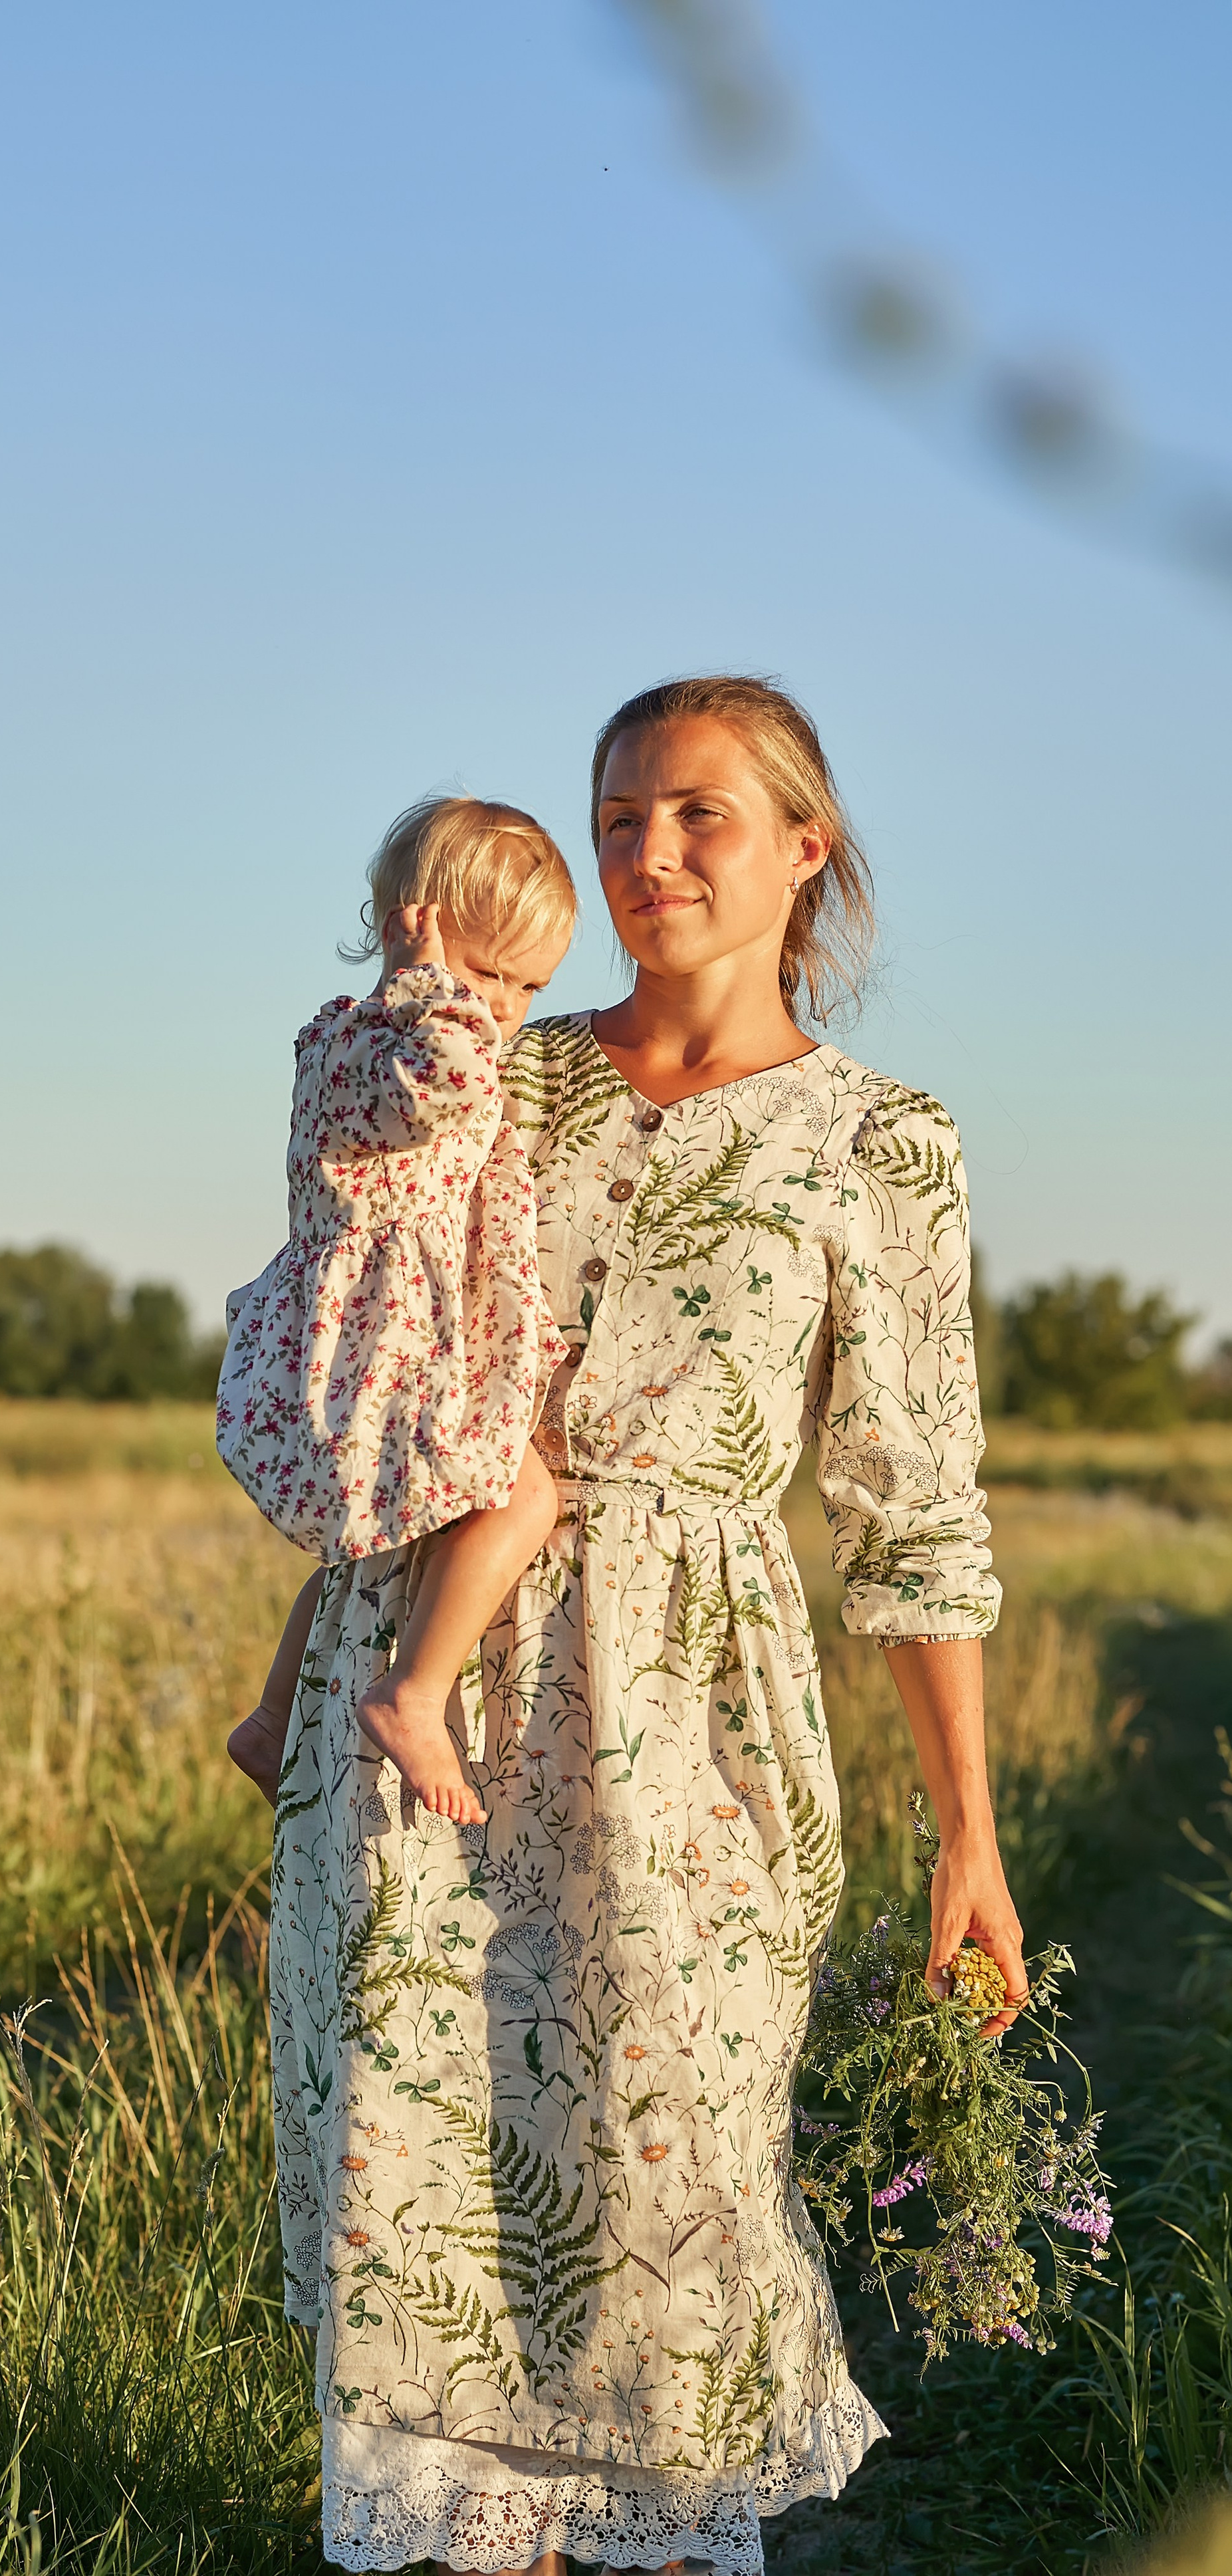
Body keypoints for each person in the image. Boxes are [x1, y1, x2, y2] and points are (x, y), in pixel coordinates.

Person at [270, 675, 1027, 2576]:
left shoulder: (886, 1143)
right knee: (423, 2183)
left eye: (698, 814)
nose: (649, 855)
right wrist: (299, 1673)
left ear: (804, 844)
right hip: (428, 1676)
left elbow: (916, 1514)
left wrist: (971, 1838)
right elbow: (391, 1357)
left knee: (670, 2209)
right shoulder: (495, 1070)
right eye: (617, 819)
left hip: (693, 1716)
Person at [218, 794, 577, 1823]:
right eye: (487, 973)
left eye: (528, 985)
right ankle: (411, 1694)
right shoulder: (370, 1049)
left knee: (374, 1540)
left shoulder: (382, 1044)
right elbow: (453, 1074)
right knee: (522, 1498)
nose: (503, 1008)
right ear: (408, 936)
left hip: (400, 1335)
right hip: (386, 1342)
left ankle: (277, 1712)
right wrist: (431, 990)